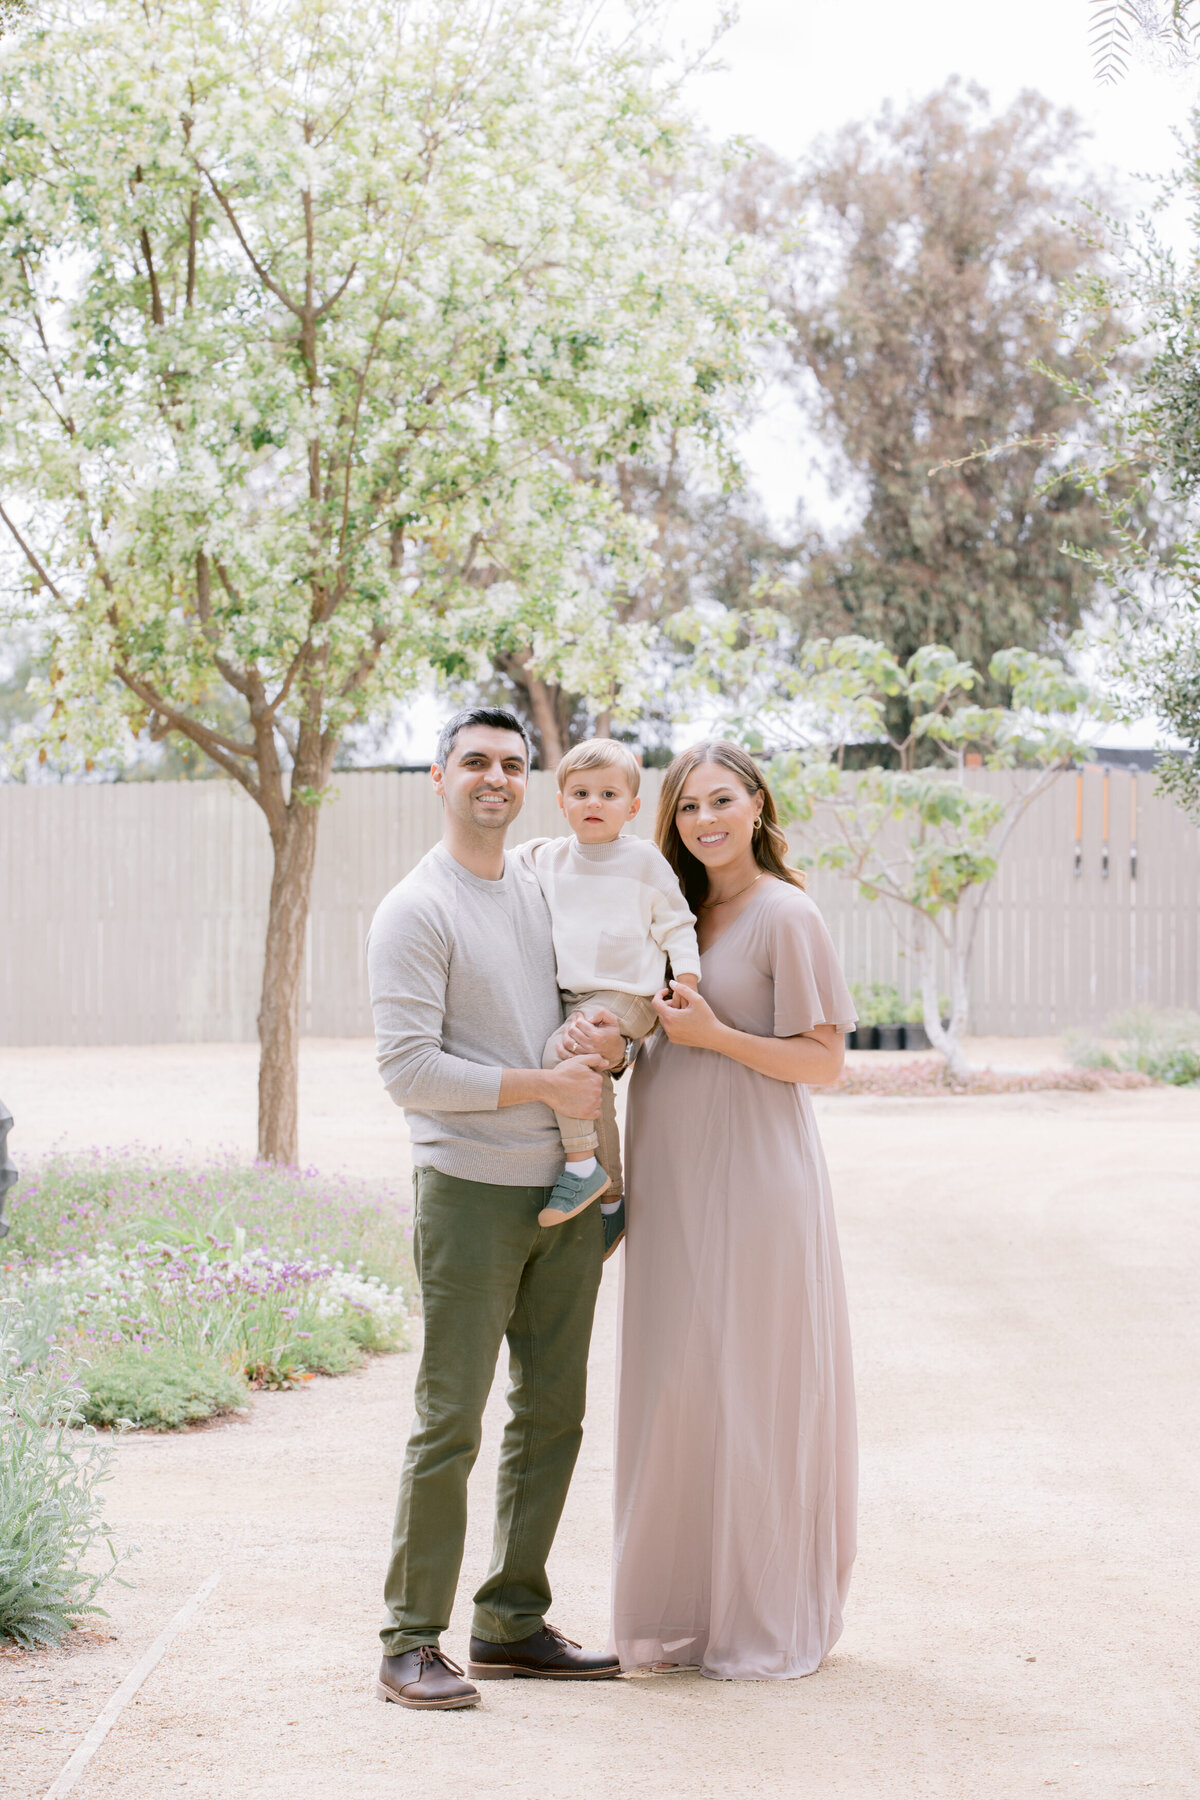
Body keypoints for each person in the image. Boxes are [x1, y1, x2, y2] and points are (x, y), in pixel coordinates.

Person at [366, 706, 627, 1711]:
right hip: (470, 1192)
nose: (496, 778)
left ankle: (512, 1622)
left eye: (514, 765)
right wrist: (539, 1089)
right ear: (438, 778)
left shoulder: (539, 887)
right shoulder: (414, 909)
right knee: (451, 1422)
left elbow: (590, 1007)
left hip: (565, 1197)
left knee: (554, 1413)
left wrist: (608, 1057)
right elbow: (408, 1071)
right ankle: (408, 1640)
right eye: (475, 761)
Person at [603, 739, 858, 1681]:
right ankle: (685, 1611)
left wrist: (716, 1035)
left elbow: (824, 1061)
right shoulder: (670, 911)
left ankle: (765, 1611)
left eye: (721, 800)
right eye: (686, 807)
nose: (704, 820)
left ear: (756, 804)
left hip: (755, 1181)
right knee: (678, 1385)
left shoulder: (787, 914)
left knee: (754, 1384)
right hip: (672, 1182)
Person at [516, 738, 700, 1251]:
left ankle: (580, 1167)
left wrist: (686, 982)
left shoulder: (642, 859)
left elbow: (678, 925)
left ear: (632, 807)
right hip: (580, 997)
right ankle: (612, 1201)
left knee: (562, 1052)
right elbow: (504, 864)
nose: (593, 803)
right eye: (580, 793)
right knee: (590, 1088)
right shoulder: (547, 857)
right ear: (561, 803)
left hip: (630, 997)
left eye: (608, 794)